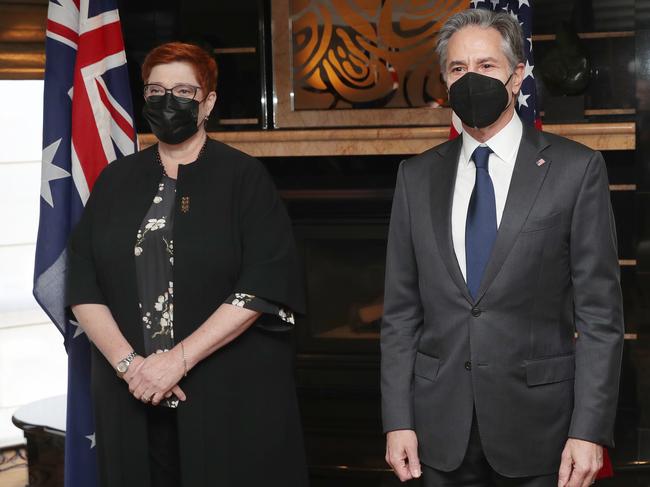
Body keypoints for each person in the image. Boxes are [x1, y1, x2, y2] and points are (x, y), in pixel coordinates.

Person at [381, 9, 623, 487]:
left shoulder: (576, 170)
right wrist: (397, 419)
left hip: (542, 435)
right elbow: (401, 314)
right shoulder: (415, 177)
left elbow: (600, 317)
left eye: (486, 66)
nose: (471, 79)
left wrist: (589, 430)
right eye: (457, 69)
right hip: (438, 434)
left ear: (516, 77)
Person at [67, 42, 309, 487]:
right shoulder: (115, 180)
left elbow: (263, 282)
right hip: (131, 393)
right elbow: (82, 280)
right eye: (155, 92)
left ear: (208, 102)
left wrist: (176, 361)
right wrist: (131, 367)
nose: (167, 102)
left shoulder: (243, 177)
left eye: (183, 91)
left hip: (225, 392)